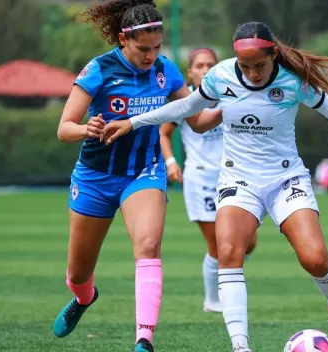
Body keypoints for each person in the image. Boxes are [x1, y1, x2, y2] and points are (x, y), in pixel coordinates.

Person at [103, 21, 328, 352]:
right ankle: (241, 346)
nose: (252, 74)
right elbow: (184, 108)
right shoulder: (221, 76)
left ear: (274, 55)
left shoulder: (293, 81)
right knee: (228, 253)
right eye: (245, 66)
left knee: (315, 259)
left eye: (260, 66)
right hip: (238, 179)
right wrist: (133, 122)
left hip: (286, 179)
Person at [52, 1, 219, 351]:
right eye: (143, 49)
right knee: (78, 274)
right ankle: (84, 298)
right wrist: (87, 128)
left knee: (148, 244)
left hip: (144, 172)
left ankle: (144, 339)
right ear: (122, 39)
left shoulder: (167, 71)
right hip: (95, 177)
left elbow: (199, 122)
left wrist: (236, 103)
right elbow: (64, 129)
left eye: (157, 48)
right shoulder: (98, 69)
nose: (151, 56)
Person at [160, 48, 257, 313]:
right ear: (189, 71)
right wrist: (171, 162)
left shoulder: (229, 92)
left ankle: (227, 271)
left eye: (210, 65)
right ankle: (213, 300)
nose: (204, 69)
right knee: (218, 244)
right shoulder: (186, 100)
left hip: (235, 178)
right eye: (199, 65)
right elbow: (164, 132)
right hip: (201, 178)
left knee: (249, 242)